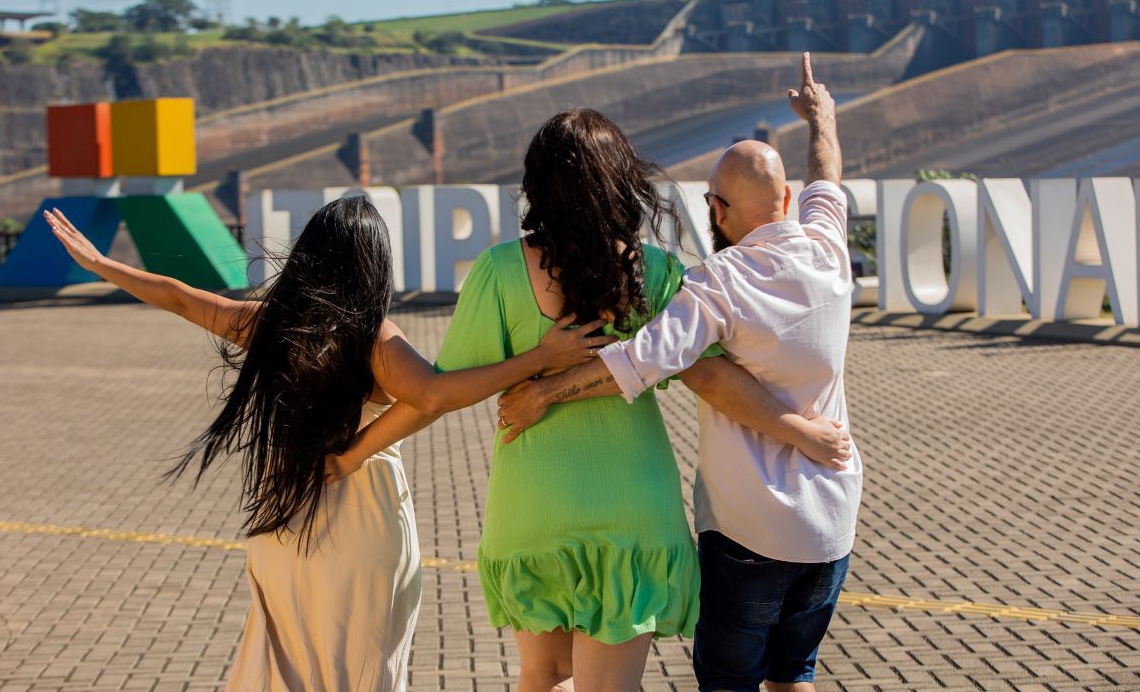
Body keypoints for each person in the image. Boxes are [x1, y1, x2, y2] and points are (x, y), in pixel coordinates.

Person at [337, 108, 850, 692]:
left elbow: (434, 394)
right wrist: (800, 431)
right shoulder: (657, 273)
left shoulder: (500, 272)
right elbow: (713, 380)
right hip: (635, 508)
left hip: (534, 503)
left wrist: (351, 455)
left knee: (543, 673)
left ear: (537, 188)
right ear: (621, 181)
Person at [45, 196, 609, 692]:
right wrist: (539, 360)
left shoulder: (272, 323)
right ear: (374, 265)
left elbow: (182, 298)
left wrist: (102, 266)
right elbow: (433, 396)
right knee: (363, 668)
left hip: (282, 523)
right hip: (362, 524)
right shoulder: (376, 338)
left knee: (285, 668)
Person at [498, 53, 862, 692]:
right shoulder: (830, 250)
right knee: (795, 674)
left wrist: (545, 390)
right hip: (832, 521)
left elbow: (641, 359)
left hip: (751, 530)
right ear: (786, 200)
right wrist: (820, 118)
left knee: (731, 682)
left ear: (714, 210)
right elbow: (826, 174)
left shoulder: (716, 283)